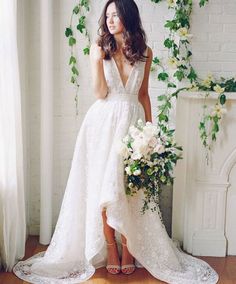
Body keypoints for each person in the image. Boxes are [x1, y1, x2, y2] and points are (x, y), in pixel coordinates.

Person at [13, 0, 219, 283]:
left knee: (130, 189)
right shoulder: (99, 50)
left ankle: (129, 249)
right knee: (103, 187)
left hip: (133, 124)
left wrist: (150, 133)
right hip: (102, 123)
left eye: (116, 15)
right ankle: (111, 249)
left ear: (128, 16)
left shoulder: (145, 52)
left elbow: (144, 94)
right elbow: (99, 93)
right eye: (107, 16)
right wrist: (97, 61)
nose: (110, 20)